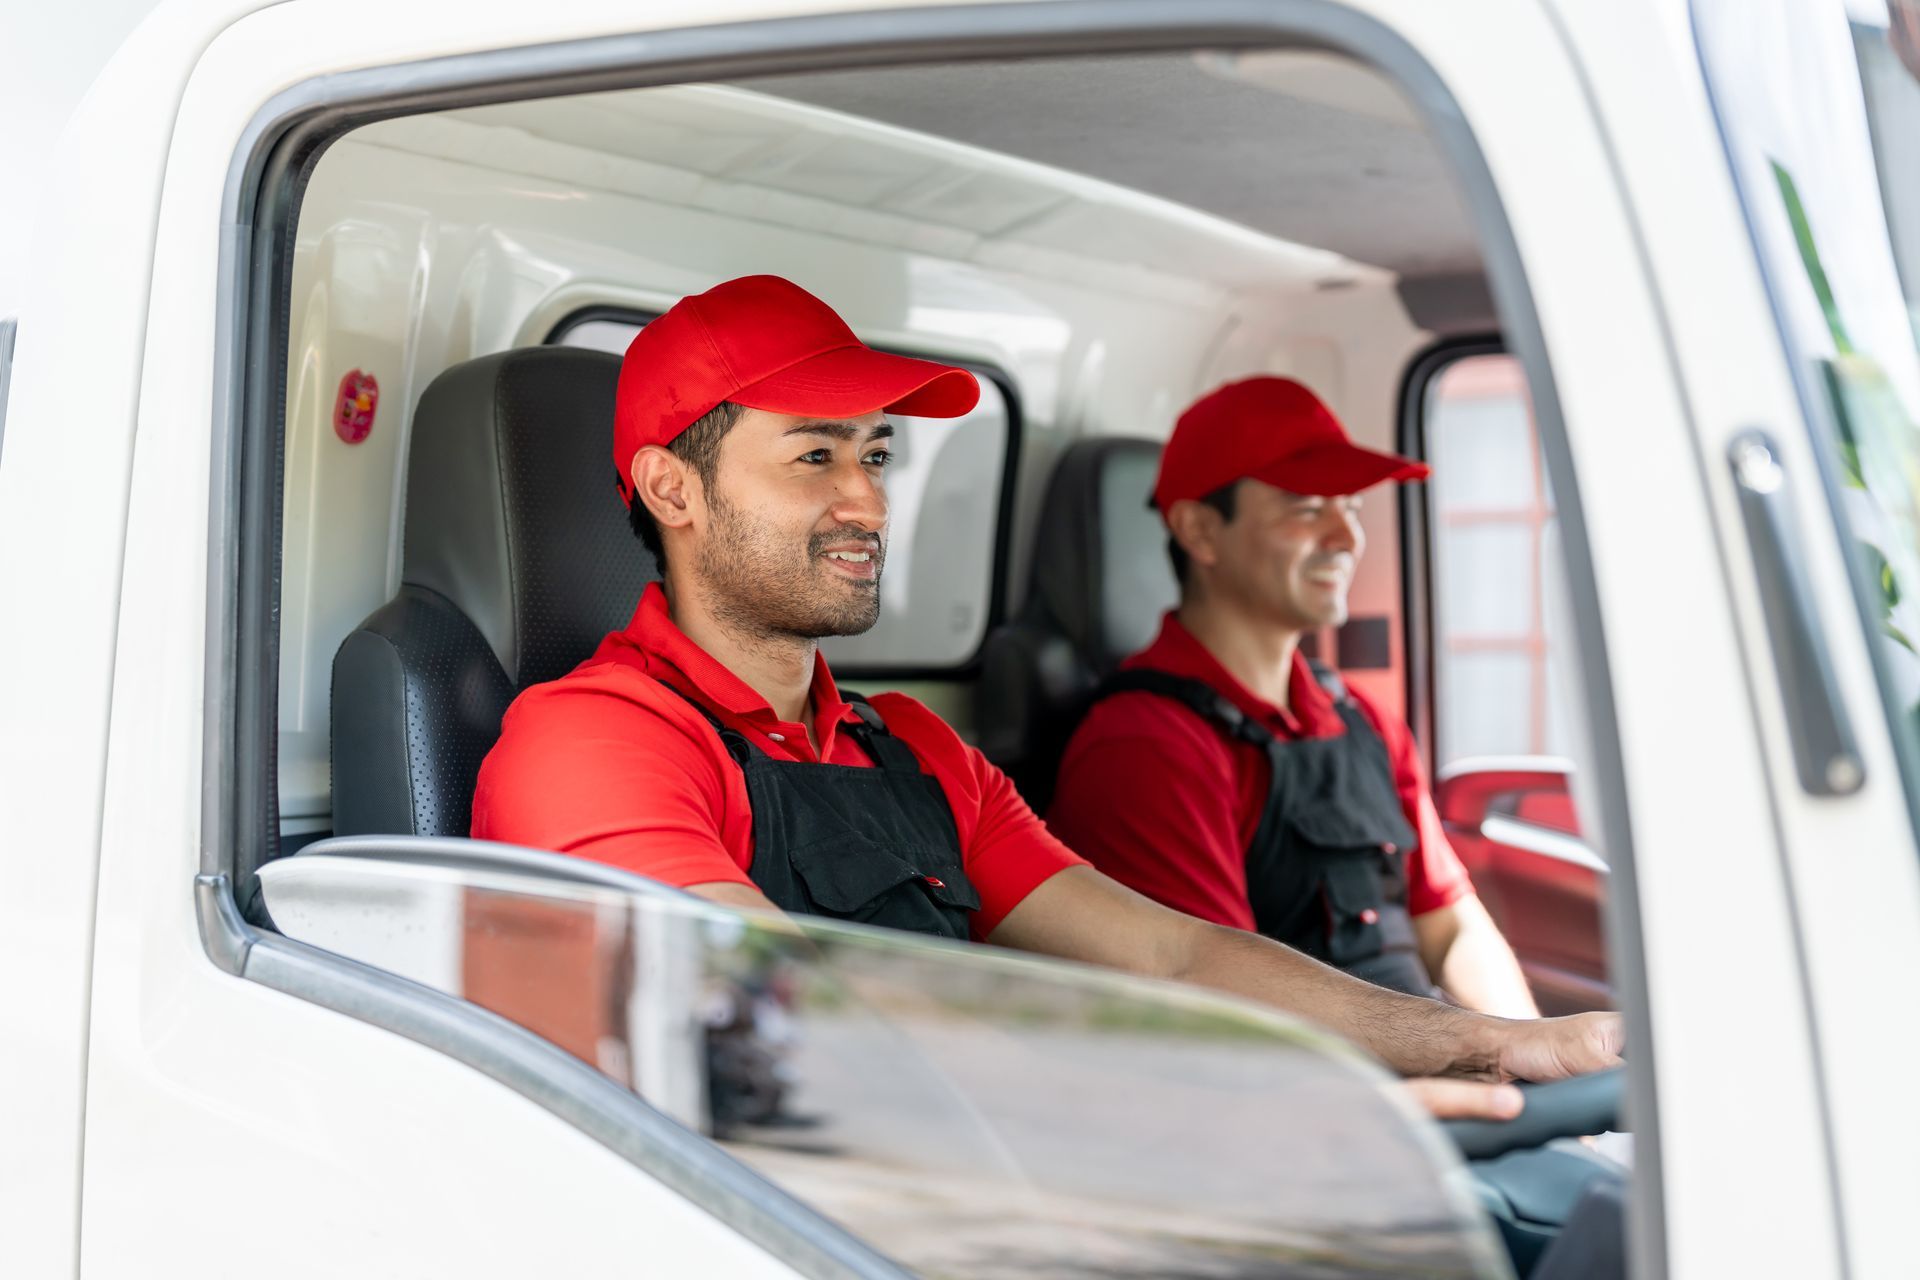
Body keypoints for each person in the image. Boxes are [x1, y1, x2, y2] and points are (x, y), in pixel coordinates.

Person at [471, 274, 1615, 1120]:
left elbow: (1173, 956)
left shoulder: (910, 744)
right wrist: (1256, 1119)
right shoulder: (590, 741)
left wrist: (1484, 1045)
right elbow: (805, 1028)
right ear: (671, 485)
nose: (867, 498)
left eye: (877, 454)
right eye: (815, 456)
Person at [1047, 377, 1541, 1017]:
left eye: (1352, 509)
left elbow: (1449, 928)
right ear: (1199, 530)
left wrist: (1528, 1053)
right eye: (1307, 508)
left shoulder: (1364, 722)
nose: (1345, 538)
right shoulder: (1144, 748)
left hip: (1438, 1074)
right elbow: (1225, 1008)